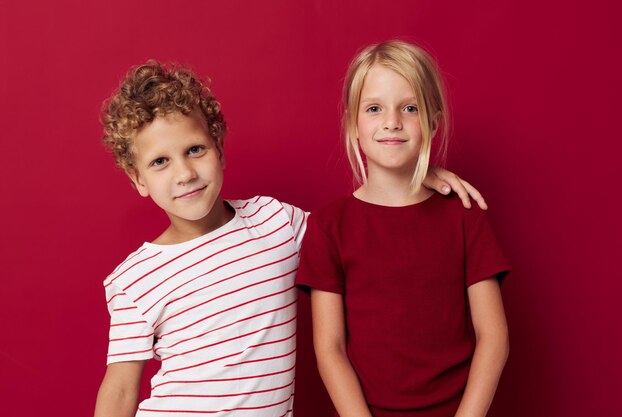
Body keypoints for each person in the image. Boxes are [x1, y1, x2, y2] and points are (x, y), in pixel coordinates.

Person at [94, 60, 488, 417]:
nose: (184, 173)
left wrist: (416, 175)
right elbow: (120, 388)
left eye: (195, 150)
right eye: (159, 162)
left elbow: (361, 232)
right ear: (137, 179)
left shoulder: (275, 222)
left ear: (219, 150)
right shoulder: (135, 280)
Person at [296, 40, 511, 417]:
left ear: (433, 120)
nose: (392, 121)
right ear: (353, 123)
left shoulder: (464, 216)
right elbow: (329, 348)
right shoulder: (329, 226)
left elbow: (493, 338)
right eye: (375, 108)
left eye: (409, 108)